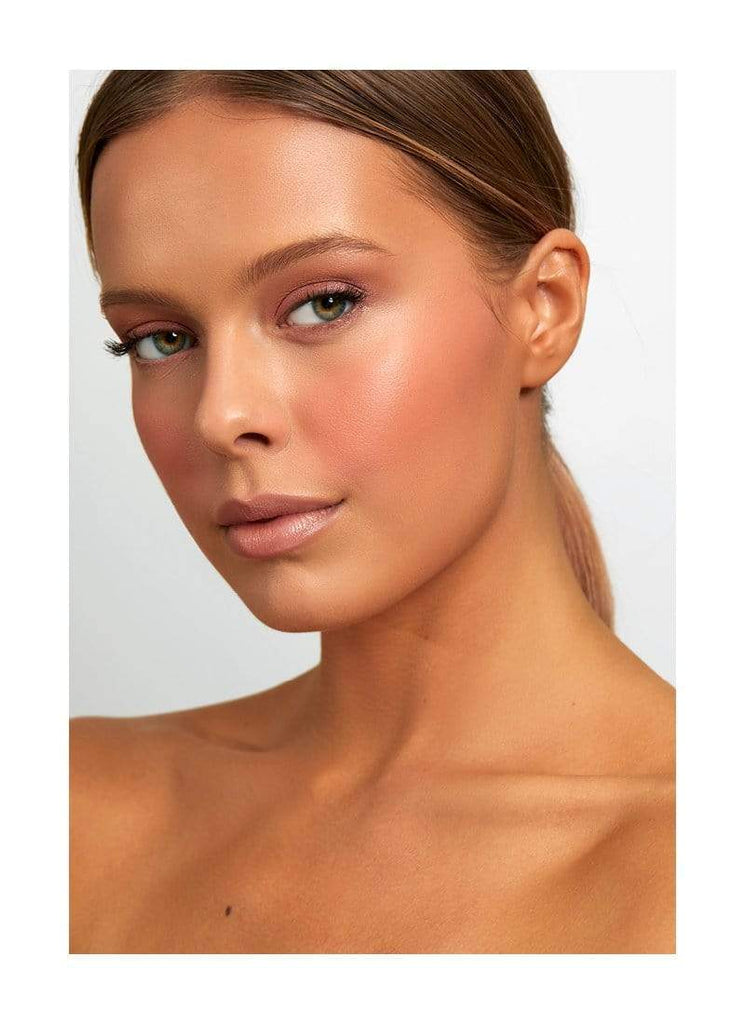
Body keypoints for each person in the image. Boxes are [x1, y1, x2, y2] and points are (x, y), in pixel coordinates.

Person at [70, 70, 675, 954]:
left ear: (543, 310)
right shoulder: (66, 812)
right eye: (162, 339)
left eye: (324, 304)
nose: (220, 416)